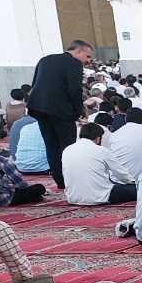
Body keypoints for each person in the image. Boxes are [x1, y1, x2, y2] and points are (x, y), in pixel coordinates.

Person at [28, 40, 91, 189]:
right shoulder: (74, 63)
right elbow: (74, 90)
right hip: (60, 109)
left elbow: (34, 84)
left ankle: (60, 181)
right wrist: (78, 111)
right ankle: (71, 179)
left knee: (51, 144)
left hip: (39, 108)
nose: (88, 61)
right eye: (87, 56)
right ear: (78, 51)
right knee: (68, 146)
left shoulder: (45, 59)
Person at [62, 123, 135, 205]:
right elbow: (121, 174)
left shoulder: (67, 150)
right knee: (137, 189)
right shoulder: (101, 150)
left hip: (73, 197)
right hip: (100, 196)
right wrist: (133, 183)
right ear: (98, 138)